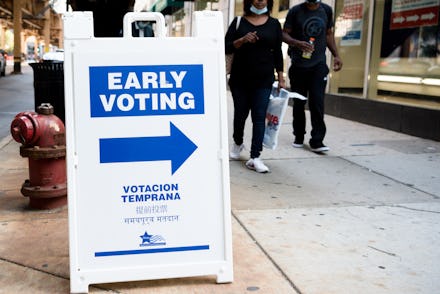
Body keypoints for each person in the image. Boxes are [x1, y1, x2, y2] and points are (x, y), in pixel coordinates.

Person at [225, 0, 285, 173]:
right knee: (240, 114)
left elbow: (278, 52)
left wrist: (280, 77)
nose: (260, 1)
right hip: (240, 79)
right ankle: (237, 142)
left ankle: (255, 157)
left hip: (264, 79)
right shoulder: (238, 22)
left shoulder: (274, 24)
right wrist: (242, 40)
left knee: (259, 117)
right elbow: (225, 46)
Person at [282, 0, 342, 152]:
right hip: (298, 65)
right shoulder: (295, 11)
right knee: (299, 103)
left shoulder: (326, 10)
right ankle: (299, 135)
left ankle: (317, 140)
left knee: (317, 102)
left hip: (318, 65)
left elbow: (328, 34)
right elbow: (284, 33)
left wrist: (336, 55)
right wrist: (296, 43)